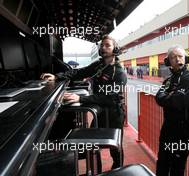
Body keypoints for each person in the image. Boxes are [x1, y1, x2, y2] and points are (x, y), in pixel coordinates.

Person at [40, 35, 127, 170]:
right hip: (100, 112)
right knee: (92, 145)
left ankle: (118, 170)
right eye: (102, 45)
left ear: (115, 49)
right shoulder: (98, 65)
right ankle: (96, 170)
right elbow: (79, 72)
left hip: (114, 114)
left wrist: (80, 98)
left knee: (115, 149)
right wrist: (57, 77)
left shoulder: (119, 72)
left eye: (107, 45)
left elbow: (109, 98)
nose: (103, 48)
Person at [155, 45, 189, 176]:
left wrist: (169, 98)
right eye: (173, 57)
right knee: (162, 160)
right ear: (168, 61)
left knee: (177, 165)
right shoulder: (169, 79)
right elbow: (159, 98)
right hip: (168, 127)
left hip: (184, 130)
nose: (177, 59)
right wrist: (172, 97)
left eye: (180, 56)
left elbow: (180, 102)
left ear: (185, 59)